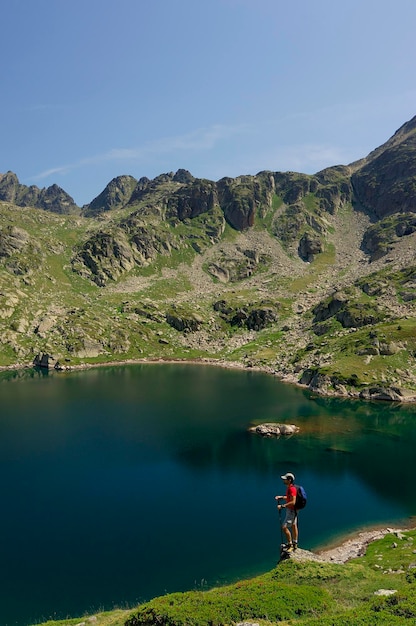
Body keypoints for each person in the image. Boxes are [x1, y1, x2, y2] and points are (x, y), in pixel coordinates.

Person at [275, 472, 298, 551]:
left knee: (284, 527)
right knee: (293, 526)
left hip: (291, 511)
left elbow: (293, 502)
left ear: (289, 480)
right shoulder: (291, 488)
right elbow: (289, 498)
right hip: (293, 510)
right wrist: (281, 497)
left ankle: (290, 544)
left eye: (285, 479)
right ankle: (295, 543)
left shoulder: (291, 489)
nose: (283, 480)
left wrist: (282, 506)